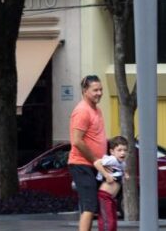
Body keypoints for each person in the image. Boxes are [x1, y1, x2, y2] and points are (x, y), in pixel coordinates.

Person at [69, 74, 106, 231]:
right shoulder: (82, 111)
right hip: (82, 164)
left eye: (101, 89)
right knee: (89, 206)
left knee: (93, 207)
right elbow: (77, 141)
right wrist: (95, 160)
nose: (99, 93)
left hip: (95, 165)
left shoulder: (96, 110)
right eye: (95, 90)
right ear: (85, 91)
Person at [95, 136, 128, 231]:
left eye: (125, 150)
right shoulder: (112, 159)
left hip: (112, 197)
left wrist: (126, 174)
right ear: (112, 152)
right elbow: (97, 163)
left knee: (113, 221)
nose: (123, 152)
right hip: (105, 196)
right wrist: (106, 175)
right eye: (119, 150)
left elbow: (123, 169)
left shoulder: (122, 162)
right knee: (107, 221)